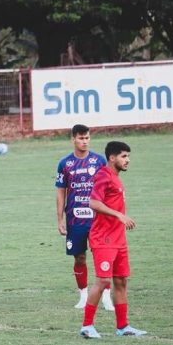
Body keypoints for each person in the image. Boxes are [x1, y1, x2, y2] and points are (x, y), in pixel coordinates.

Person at [80, 141, 147, 339]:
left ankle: (123, 326)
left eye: (128, 156)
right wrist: (119, 215)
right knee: (102, 281)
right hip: (104, 239)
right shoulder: (103, 175)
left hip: (119, 239)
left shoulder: (116, 178)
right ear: (112, 158)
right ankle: (87, 326)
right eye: (124, 156)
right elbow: (92, 202)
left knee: (121, 281)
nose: (128, 160)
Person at [55, 124, 113, 310]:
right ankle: (83, 295)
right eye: (81, 138)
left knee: (102, 255)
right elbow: (60, 192)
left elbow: (110, 186)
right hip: (75, 218)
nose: (84, 141)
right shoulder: (65, 164)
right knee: (79, 257)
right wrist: (60, 219)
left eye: (87, 138)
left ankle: (106, 296)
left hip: (99, 218)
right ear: (73, 139)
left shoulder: (99, 161)